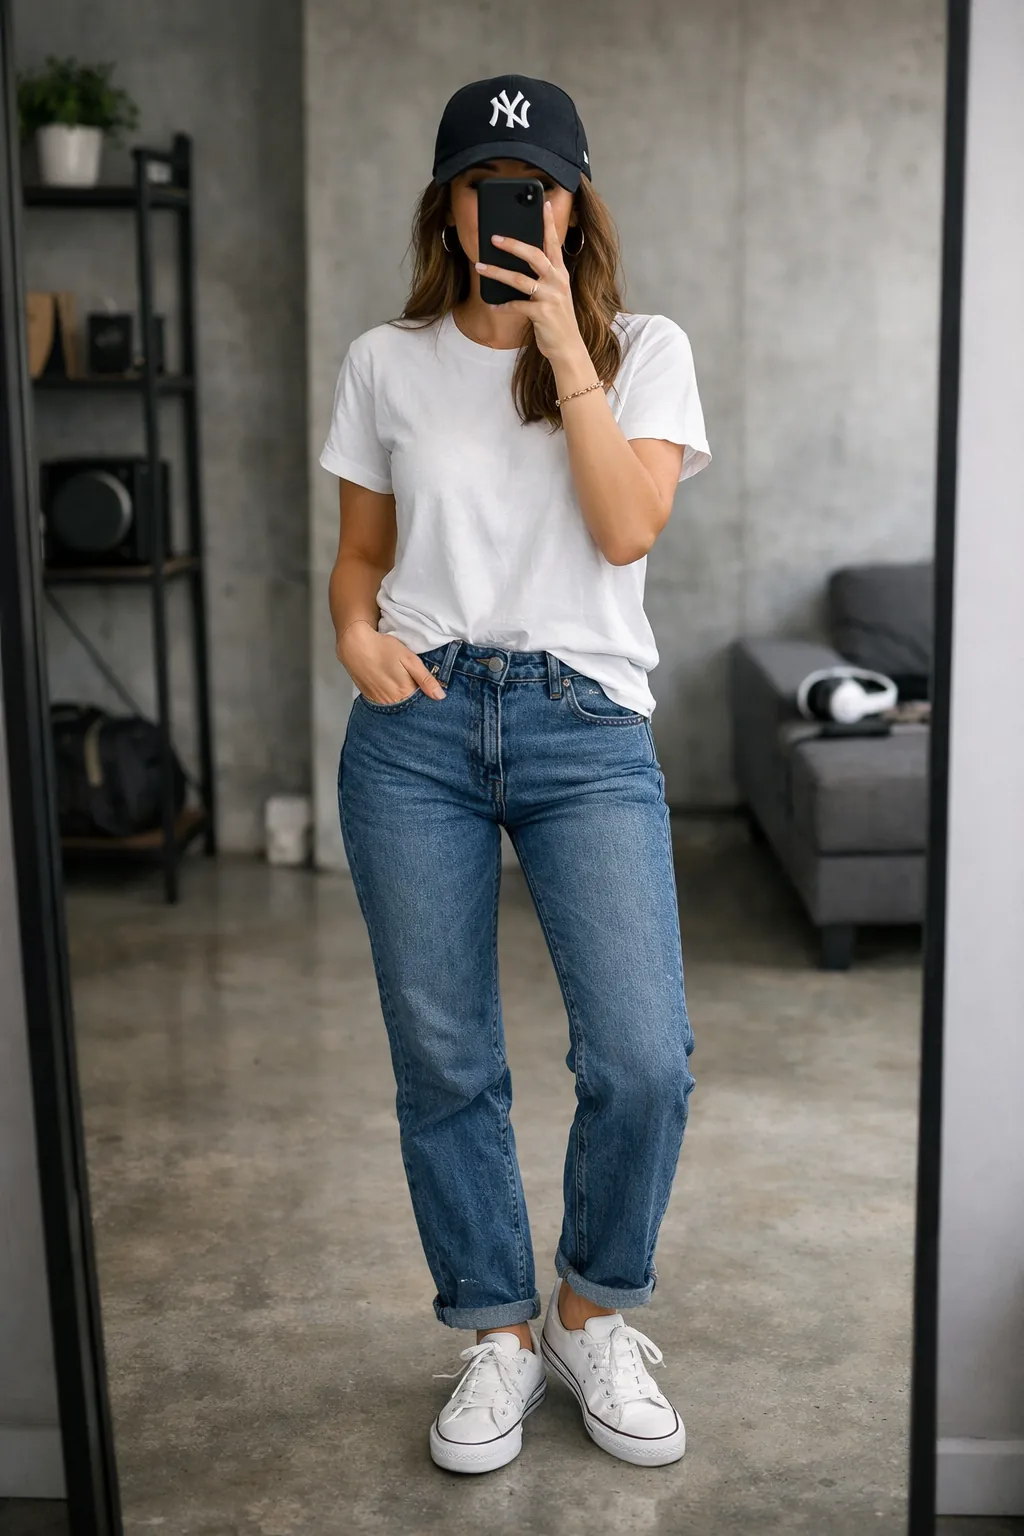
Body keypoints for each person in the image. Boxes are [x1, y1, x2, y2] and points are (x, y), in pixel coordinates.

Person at [321, 73, 711, 1476]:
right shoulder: (385, 359)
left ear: (575, 201)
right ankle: (495, 1334)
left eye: (538, 183)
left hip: (584, 727)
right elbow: (360, 564)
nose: (516, 204)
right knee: (443, 1060)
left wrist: (563, 341)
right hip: (417, 729)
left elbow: (623, 531)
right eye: (490, 181)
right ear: (448, 203)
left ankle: (590, 1311)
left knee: (642, 1061)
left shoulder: (646, 347)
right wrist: (357, 637)